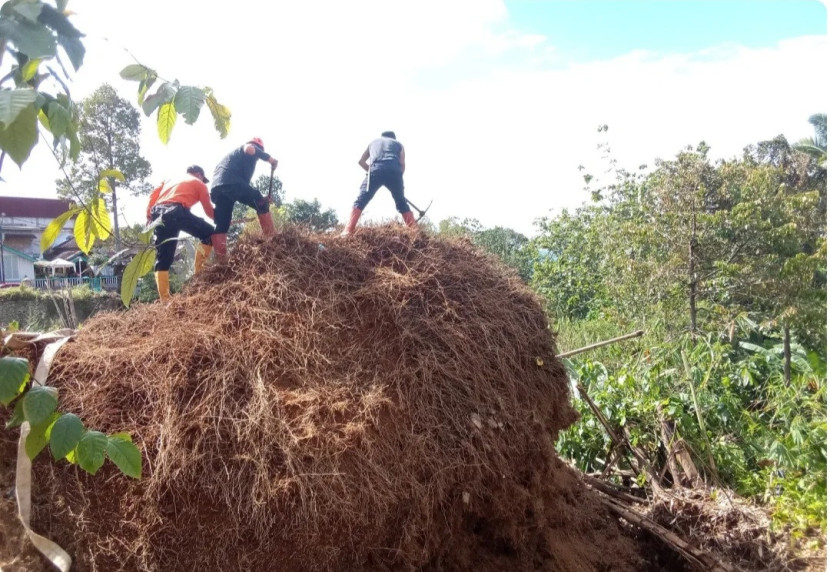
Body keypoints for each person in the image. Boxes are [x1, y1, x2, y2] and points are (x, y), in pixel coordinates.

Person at [146, 165, 216, 303]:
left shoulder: (169, 180)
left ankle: (165, 300)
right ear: (199, 174)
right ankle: (199, 275)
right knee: (209, 234)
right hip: (176, 212)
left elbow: (153, 195)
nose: (203, 181)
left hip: (158, 213)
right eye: (203, 178)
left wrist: (148, 216)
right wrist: (222, 221)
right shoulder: (199, 183)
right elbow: (209, 211)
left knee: (164, 257)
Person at [209, 138, 279, 257]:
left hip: (218, 188)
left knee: (222, 223)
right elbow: (250, 149)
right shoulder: (246, 148)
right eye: (258, 154)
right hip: (230, 182)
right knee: (261, 203)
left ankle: (221, 261)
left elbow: (244, 190)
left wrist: (262, 198)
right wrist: (269, 159)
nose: (257, 158)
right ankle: (274, 243)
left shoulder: (236, 160)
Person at [341, 131, 416, 236]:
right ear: (394, 138)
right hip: (394, 171)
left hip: (375, 169)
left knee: (361, 200)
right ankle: (415, 233)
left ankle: (347, 231)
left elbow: (361, 161)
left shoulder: (373, 142)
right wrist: (396, 184)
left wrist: (374, 171)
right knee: (401, 203)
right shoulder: (399, 144)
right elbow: (402, 165)